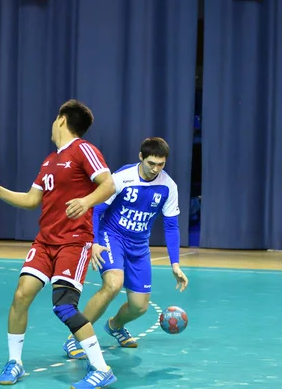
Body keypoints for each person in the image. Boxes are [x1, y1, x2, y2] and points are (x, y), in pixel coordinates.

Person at [0, 100, 118, 388]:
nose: (52, 124)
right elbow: (31, 200)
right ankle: (15, 363)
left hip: (74, 242)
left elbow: (109, 184)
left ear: (62, 120)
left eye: (55, 119)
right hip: (45, 242)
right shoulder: (49, 160)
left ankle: (102, 369)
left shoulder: (83, 150)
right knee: (20, 296)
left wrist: (86, 201)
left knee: (64, 306)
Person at [62, 137, 189, 360]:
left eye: (161, 164)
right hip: (112, 236)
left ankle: (115, 326)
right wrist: (94, 242)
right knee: (113, 284)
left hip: (139, 245)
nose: (155, 169)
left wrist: (175, 264)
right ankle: (75, 338)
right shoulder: (122, 178)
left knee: (139, 307)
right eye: (151, 163)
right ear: (141, 157)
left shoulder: (168, 186)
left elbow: (171, 226)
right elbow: (97, 209)